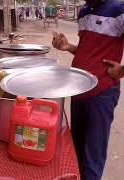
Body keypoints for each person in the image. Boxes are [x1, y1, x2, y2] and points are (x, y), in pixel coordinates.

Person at [52, 0, 123, 179]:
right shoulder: (84, 12)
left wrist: (121, 71)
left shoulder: (118, 9)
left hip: (102, 93)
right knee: (76, 146)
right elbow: (88, 50)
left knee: (92, 154)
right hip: (78, 91)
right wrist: (68, 47)